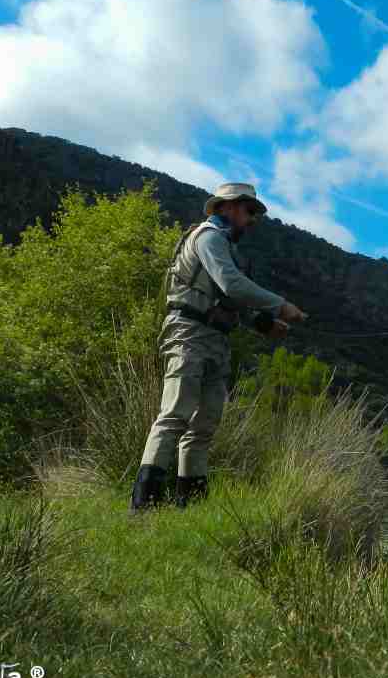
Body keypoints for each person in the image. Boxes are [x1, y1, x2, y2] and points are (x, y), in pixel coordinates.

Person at [129, 182, 307, 515]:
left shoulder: (226, 247)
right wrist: (280, 306)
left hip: (216, 341)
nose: (252, 219)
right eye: (249, 211)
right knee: (175, 415)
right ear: (228, 206)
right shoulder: (208, 237)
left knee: (204, 426)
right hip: (188, 334)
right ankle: (143, 507)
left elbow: (228, 300)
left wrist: (264, 324)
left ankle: (191, 508)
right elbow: (231, 284)